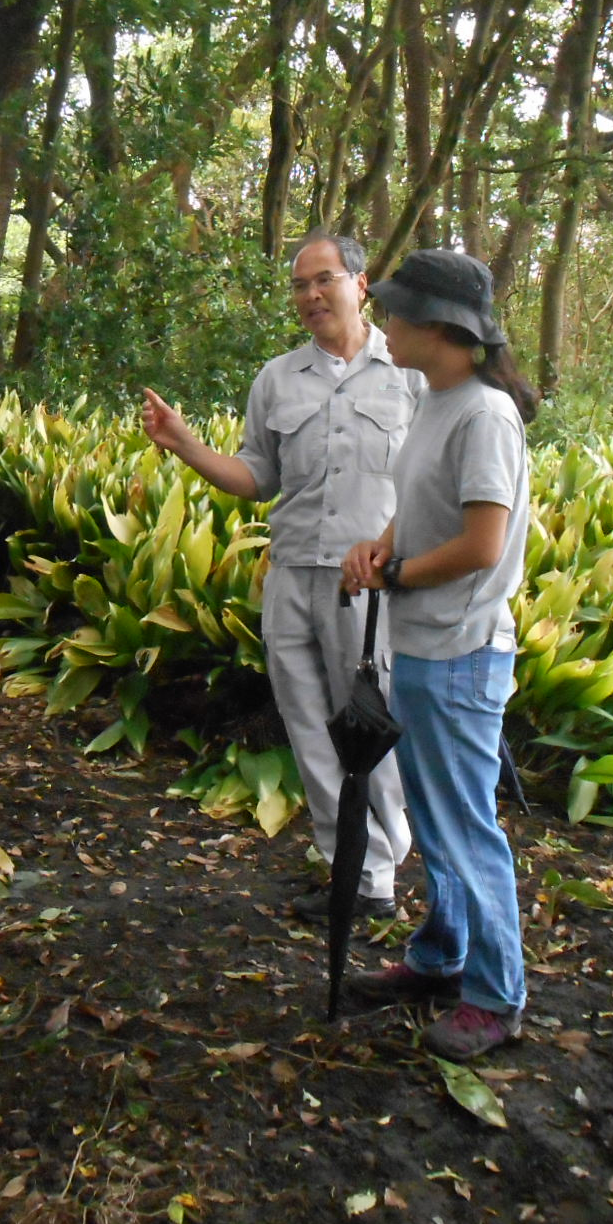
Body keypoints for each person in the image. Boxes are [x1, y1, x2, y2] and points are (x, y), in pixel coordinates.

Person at [142, 234, 417, 922]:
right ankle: (346, 872)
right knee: (311, 726)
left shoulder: (409, 374)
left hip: (370, 587)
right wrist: (185, 445)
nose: (310, 297)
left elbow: (432, 486)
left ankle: (383, 867)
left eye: (323, 280)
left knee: (370, 723)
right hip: (293, 576)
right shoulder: (277, 378)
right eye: (299, 286)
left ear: (361, 283)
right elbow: (256, 478)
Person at [340, 249, 536, 1061]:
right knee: (441, 820)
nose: (384, 321)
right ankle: (440, 958)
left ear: (442, 328)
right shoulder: (436, 399)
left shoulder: (485, 415)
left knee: (464, 829)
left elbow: (484, 544)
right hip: (425, 646)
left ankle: (495, 996)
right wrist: (381, 550)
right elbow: (420, 509)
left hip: (460, 652)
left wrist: (405, 576)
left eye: (397, 310)